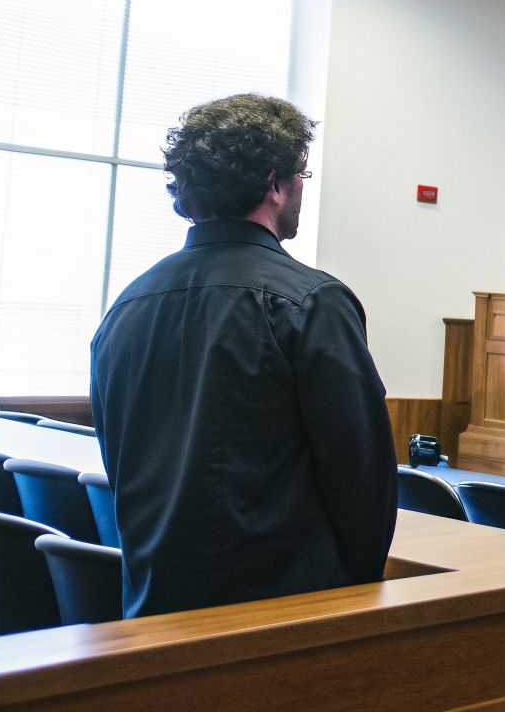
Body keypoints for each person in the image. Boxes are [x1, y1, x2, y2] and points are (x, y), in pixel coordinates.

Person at [90, 93, 396, 617]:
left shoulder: (127, 305)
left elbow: (121, 462)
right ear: (275, 184)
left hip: (154, 604)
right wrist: (354, 588)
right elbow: (361, 478)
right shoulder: (312, 303)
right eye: (302, 174)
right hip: (282, 614)